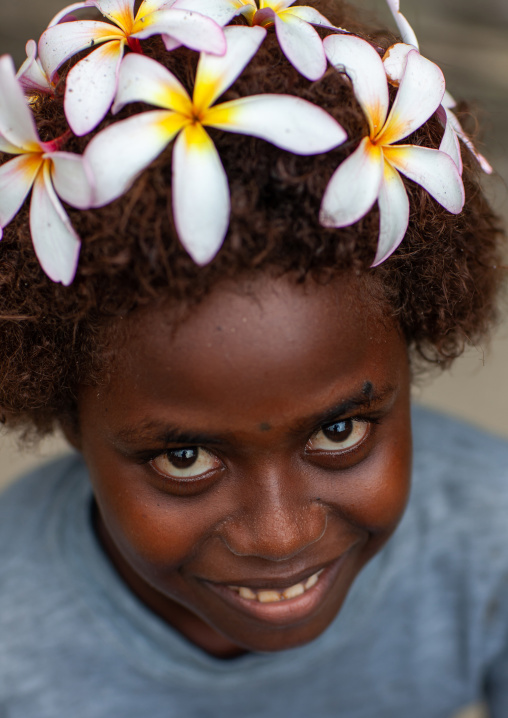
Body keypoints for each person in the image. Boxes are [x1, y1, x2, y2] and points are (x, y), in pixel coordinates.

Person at [0, 0, 506, 715]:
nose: (279, 536)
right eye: (184, 459)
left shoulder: (490, 539)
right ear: (69, 418)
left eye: (339, 432)